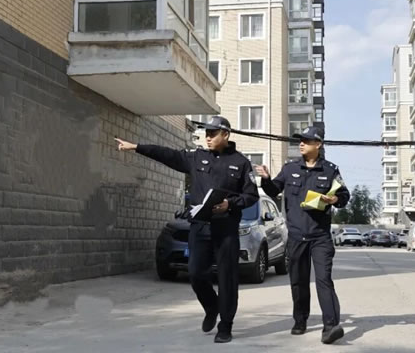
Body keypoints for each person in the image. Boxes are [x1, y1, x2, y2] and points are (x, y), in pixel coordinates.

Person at [115, 116, 259, 343]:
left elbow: (251, 195)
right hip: (200, 227)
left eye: (213, 134)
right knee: (195, 273)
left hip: (226, 228)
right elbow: (168, 155)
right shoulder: (197, 157)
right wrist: (136, 147)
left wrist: (230, 204)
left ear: (226, 135)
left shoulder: (241, 163)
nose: (208, 137)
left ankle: (226, 326)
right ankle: (211, 306)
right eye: (206, 133)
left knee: (227, 279)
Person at [255, 126, 350, 345]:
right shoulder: (289, 169)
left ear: (318, 144)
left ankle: (330, 326)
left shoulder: (330, 170)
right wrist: (266, 179)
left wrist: (334, 199)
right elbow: (273, 190)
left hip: (320, 237)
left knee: (324, 280)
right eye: (300, 140)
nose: (301, 144)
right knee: (298, 281)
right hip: (297, 236)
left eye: (306, 141)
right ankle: (300, 320)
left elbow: (344, 195)